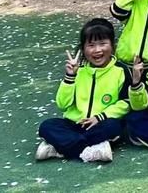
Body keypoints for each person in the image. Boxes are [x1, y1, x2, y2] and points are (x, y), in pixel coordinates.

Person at [36, 19, 130, 163]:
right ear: (83, 48)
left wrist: (99, 117)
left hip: (101, 123)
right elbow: (62, 104)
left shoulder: (121, 70)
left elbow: (125, 103)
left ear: (112, 45)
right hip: (74, 124)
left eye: (103, 43)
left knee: (114, 127)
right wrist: (70, 77)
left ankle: (59, 148)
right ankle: (88, 151)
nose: (97, 50)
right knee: (47, 126)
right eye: (91, 45)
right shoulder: (78, 70)